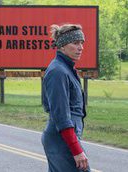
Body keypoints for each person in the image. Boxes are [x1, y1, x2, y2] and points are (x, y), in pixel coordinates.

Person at [41, 23, 90, 172]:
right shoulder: (58, 72)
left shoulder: (66, 69)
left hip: (64, 138)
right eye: (75, 43)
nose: (80, 47)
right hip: (61, 139)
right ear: (62, 46)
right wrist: (76, 149)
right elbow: (61, 115)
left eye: (81, 43)